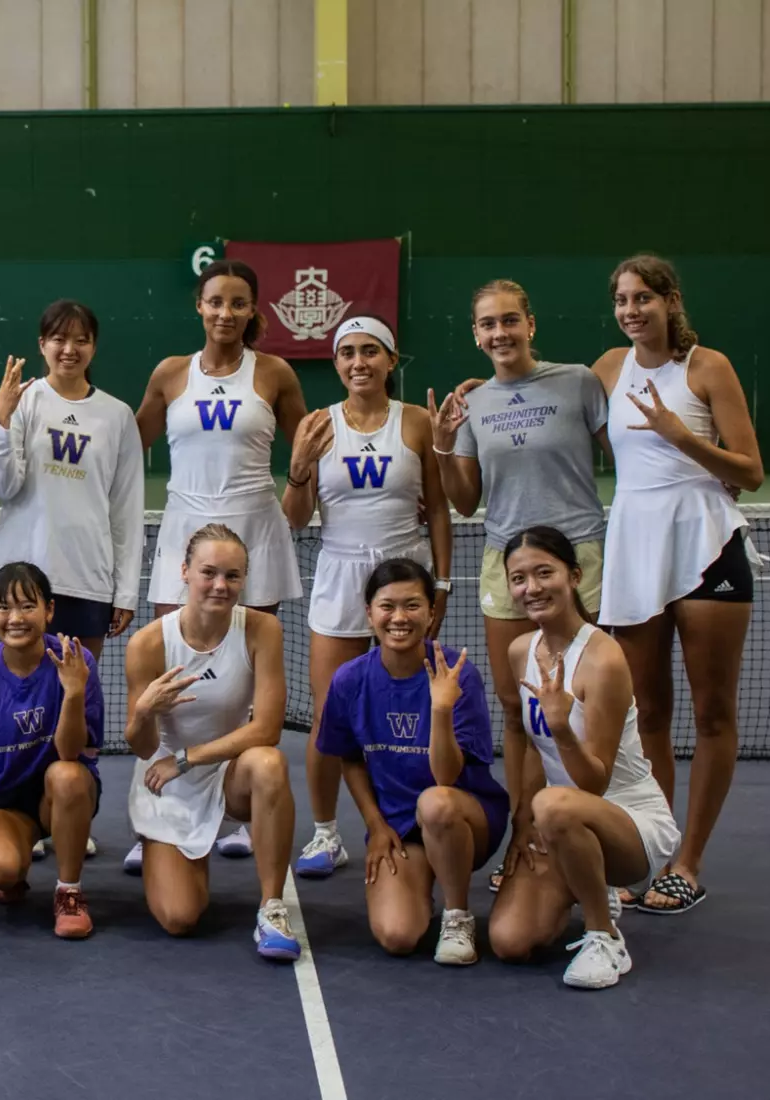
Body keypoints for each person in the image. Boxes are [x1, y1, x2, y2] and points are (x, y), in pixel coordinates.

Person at [594, 255, 762, 913]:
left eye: (644, 298)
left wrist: (679, 435)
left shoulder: (707, 367)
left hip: (707, 546)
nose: (632, 311)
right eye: (622, 300)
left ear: (670, 301)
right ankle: (648, 851)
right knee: (648, 714)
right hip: (635, 547)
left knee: (713, 712)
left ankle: (688, 863)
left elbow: (749, 470)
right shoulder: (608, 368)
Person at [428, 280, 608, 891]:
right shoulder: (473, 405)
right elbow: (467, 501)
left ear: (531, 324)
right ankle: (526, 835)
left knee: (587, 703)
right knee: (516, 710)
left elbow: (627, 456)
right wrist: (443, 446)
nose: (499, 333)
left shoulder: (579, 381)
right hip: (506, 559)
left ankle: (597, 835)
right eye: (487, 325)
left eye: (510, 321)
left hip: (579, 556)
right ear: (475, 335)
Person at [133, 258, 308, 868]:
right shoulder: (169, 374)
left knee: (246, 673)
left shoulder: (277, 374)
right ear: (199, 308)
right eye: (215, 302)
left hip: (254, 528)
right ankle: (154, 807)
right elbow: (129, 448)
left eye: (238, 304)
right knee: (169, 671)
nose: (225, 314)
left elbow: (306, 451)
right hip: (184, 524)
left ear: (253, 311)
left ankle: (242, 810)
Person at [282, 317, 452, 881]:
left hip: (405, 577)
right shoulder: (316, 424)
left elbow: (439, 510)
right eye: (348, 353)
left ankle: (417, 821)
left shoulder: (419, 423)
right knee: (331, 713)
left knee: (418, 708)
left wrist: (443, 583)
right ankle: (327, 833)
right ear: (336, 363)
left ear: (391, 359)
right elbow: (295, 518)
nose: (359, 362)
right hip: (337, 575)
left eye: (371, 352)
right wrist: (299, 468)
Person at [488, 527, 680, 988]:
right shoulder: (520, 653)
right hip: (562, 820)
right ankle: (584, 883)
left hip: (630, 823)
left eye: (543, 573)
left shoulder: (604, 660)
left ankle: (604, 935)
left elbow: (594, 782)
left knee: (554, 804)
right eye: (518, 578)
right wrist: (521, 824)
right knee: (510, 940)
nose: (531, 588)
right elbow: (535, 749)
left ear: (574, 576)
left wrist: (560, 728)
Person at [315, 559, 510, 965]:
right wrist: (375, 824)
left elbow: (447, 776)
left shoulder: (459, 675)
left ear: (432, 612)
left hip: (464, 816)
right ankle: (421, 879)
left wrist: (440, 710)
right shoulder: (350, 680)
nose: (399, 618)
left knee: (435, 803)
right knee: (397, 935)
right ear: (369, 613)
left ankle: (457, 915)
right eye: (387, 606)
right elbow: (349, 758)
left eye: (412, 605)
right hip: (400, 827)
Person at [124, 524, 301, 958]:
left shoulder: (262, 630)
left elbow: (267, 730)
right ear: (184, 572)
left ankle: (272, 907)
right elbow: (143, 747)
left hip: (226, 770)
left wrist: (187, 758)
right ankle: (164, 847)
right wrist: (145, 711)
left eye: (233, 575)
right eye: (209, 572)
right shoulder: (148, 644)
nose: (220, 585)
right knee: (179, 917)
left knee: (269, 763)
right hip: (165, 780)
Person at [0, 562, 105, 939]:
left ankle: (69, 892)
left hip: (60, 793)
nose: (15, 618)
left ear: (49, 610)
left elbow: (69, 752)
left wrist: (74, 692)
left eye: (27, 606)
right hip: (3, 804)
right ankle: (13, 865)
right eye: (3, 607)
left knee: (67, 775)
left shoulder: (78, 662)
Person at [0, 300, 145, 662]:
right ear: (42, 344)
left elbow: (126, 509)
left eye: (81, 340)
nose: (70, 349)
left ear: (94, 346)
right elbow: (4, 486)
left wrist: (125, 593)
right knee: (20, 694)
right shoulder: (22, 401)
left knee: (77, 694)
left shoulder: (117, 416)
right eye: (59, 339)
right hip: (21, 579)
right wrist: (2, 419)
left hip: (88, 579)